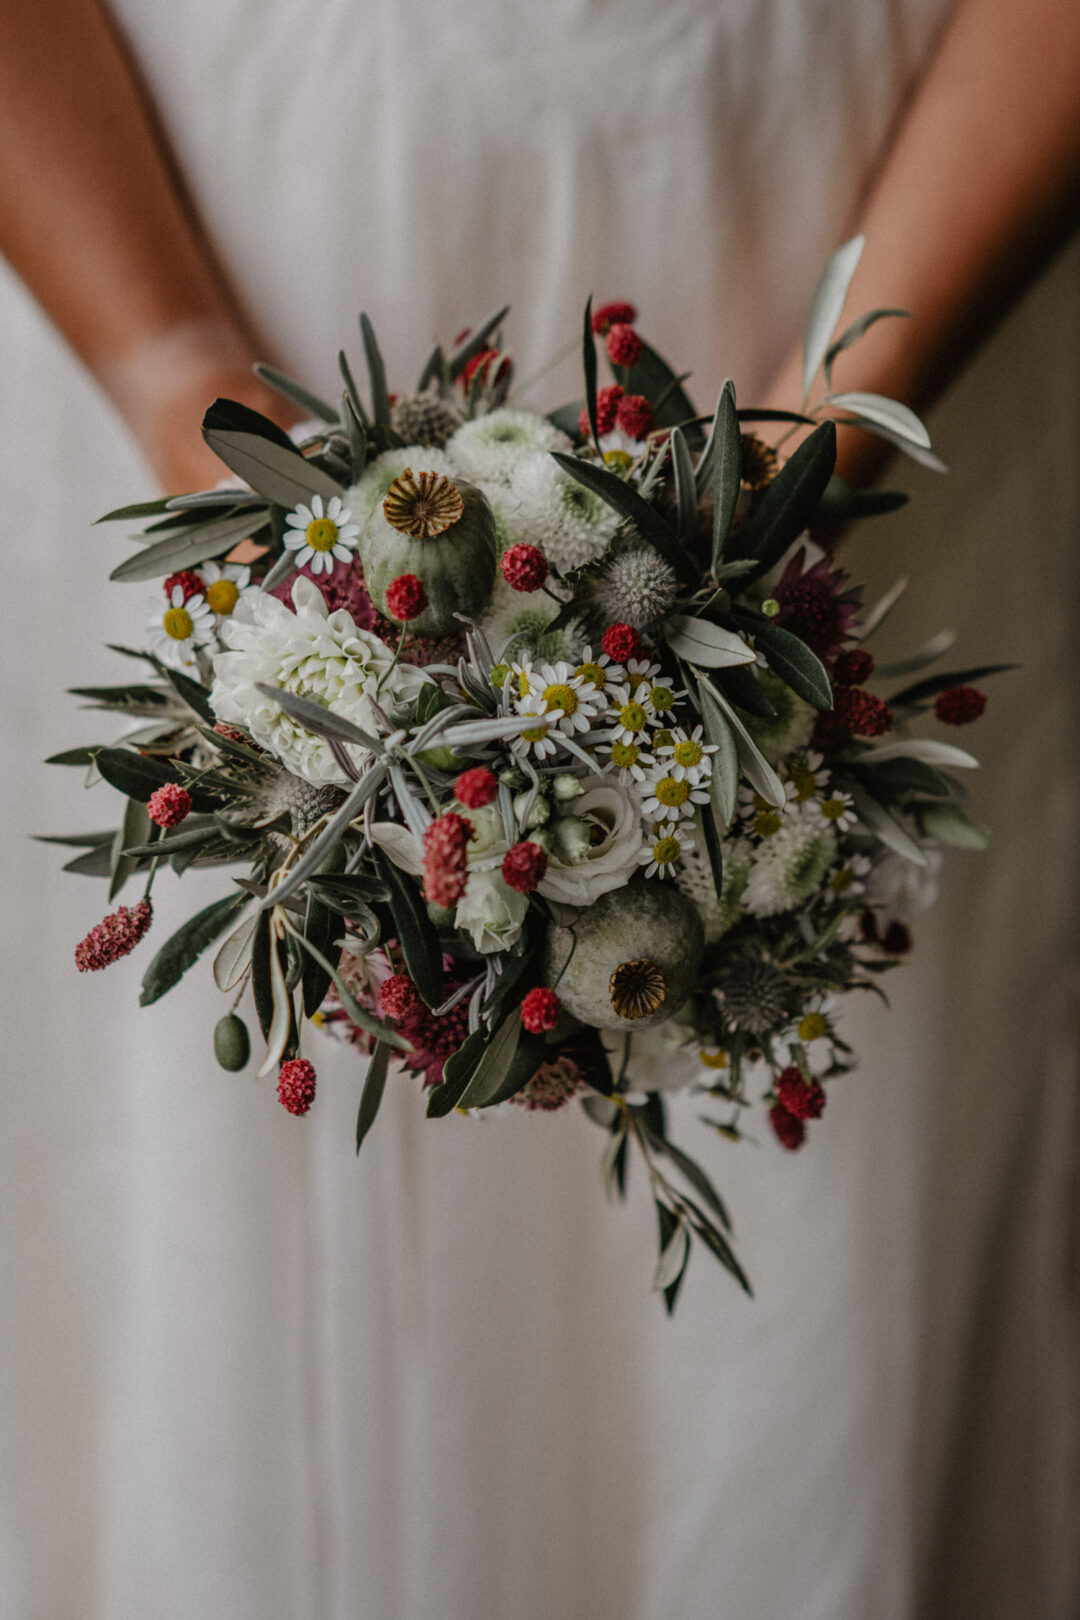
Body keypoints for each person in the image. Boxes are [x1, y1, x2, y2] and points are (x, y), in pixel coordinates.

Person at [1, 1, 1077, 1615]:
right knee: (243, 1251)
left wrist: (806, 457)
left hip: (880, 208)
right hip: (191, 198)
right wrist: (177, 376)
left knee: (832, 1270)